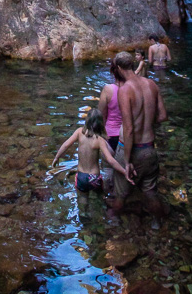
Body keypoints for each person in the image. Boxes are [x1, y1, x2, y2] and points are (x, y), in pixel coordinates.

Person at [111, 50, 169, 219]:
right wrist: (148, 123)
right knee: (150, 192)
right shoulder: (151, 84)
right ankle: (158, 224)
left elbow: (128, 129)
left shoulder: (124, 90)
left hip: (132, 150)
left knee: (120, 194)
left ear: (119, 68)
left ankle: (112, 225)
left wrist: (127, 161)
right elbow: (163, 116)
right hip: (150, 148)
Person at [51, 107, 133, 193]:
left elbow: (65, 145)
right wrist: (124, 172)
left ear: (87, 121)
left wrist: (57, 157)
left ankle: (85, 206)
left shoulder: (79, 132)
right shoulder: (99, 140)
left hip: (81, 176)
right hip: (94, 177)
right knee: (98, 198)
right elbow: (110, 160)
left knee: (83, 200)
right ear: (101, 124)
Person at [97, 57, 125, 151]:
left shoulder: (108, 89)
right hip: (128, 134)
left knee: (110, 164)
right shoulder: (133, 89)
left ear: (113, 71)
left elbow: (101, 115)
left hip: (111, 134)